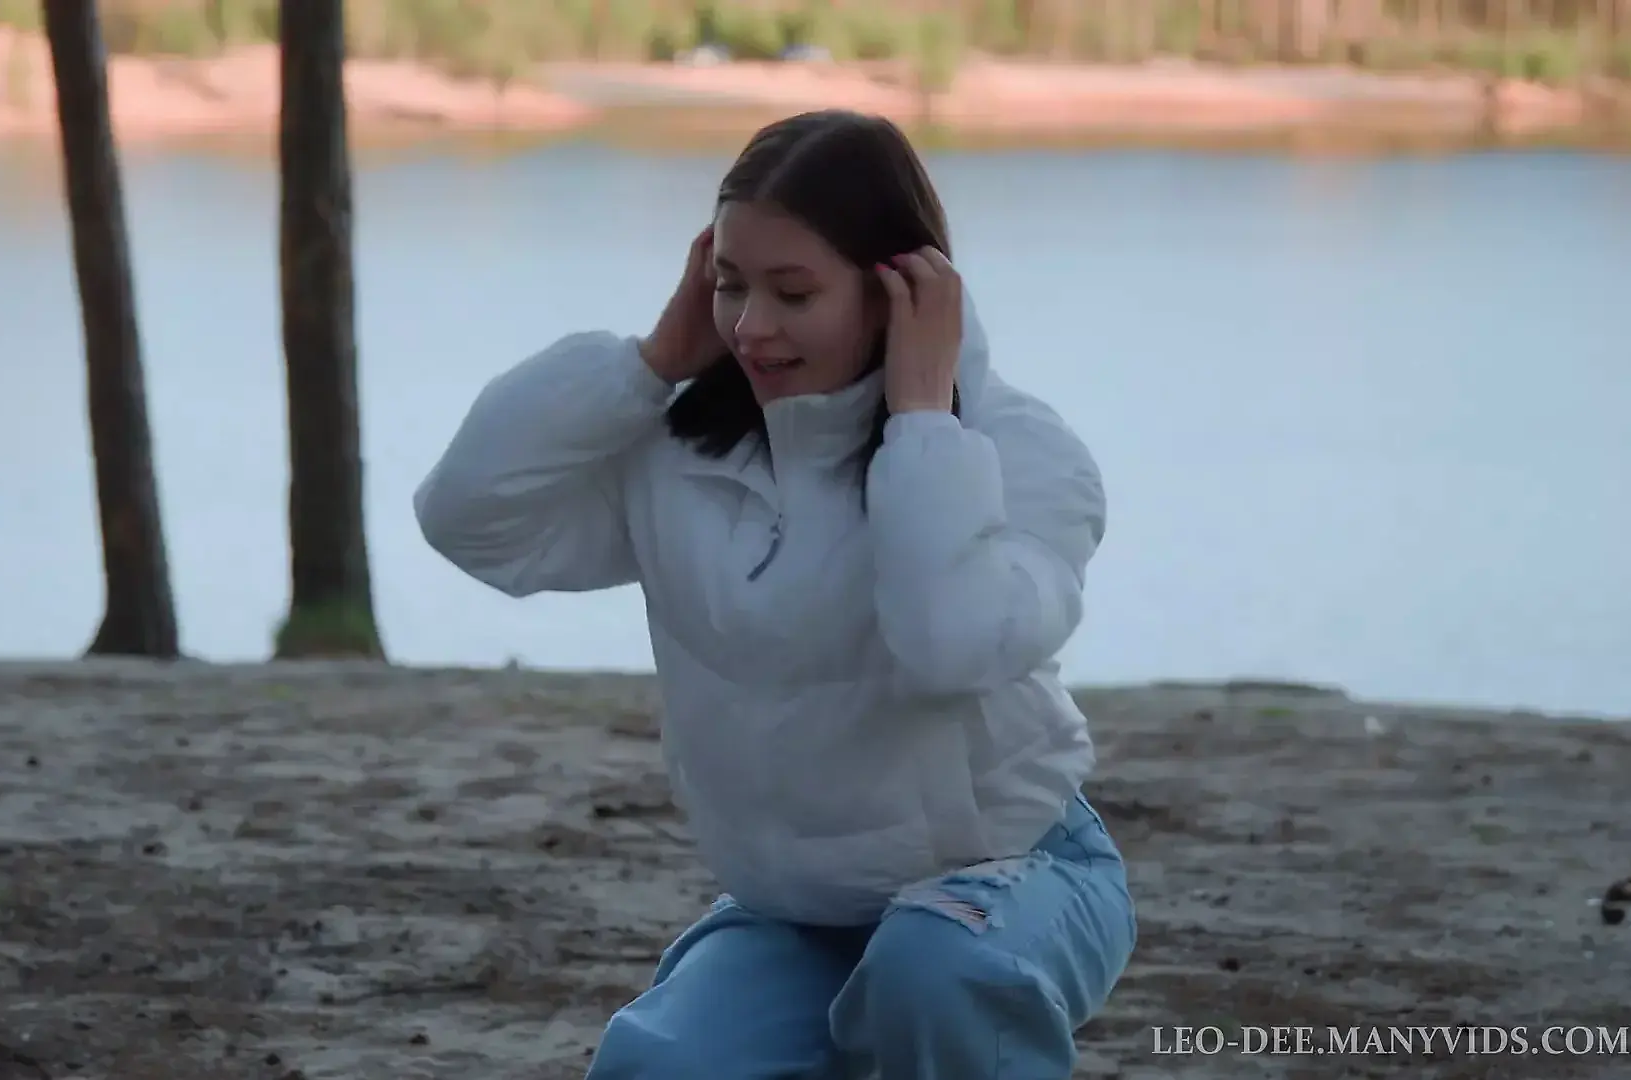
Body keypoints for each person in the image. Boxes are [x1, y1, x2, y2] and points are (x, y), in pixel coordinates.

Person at [413, 109, 1135, 1080]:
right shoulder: (680, 457)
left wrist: (923, 423)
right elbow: (469, 521)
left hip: (1011, 873)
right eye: (729, 284)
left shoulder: (1020, 455)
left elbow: (951, 644)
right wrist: (649, 364)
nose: (751, 327)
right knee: (658, 1070)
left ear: (897, 288)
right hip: (799, 910)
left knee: (933, 974)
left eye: (793, 292)